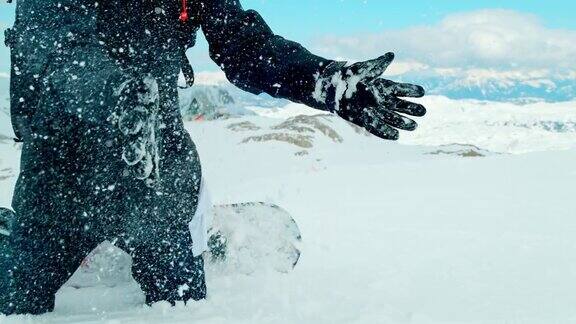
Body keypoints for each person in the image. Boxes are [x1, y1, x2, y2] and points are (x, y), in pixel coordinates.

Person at [0, 0, 427, 315]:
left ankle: (204, 231)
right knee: (17, 303)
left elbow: (247, 48)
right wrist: (116, 96)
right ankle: (12, 231)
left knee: (182, 308)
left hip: (155, 172)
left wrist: (325, 81)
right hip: (60, 174)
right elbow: (53, 55)